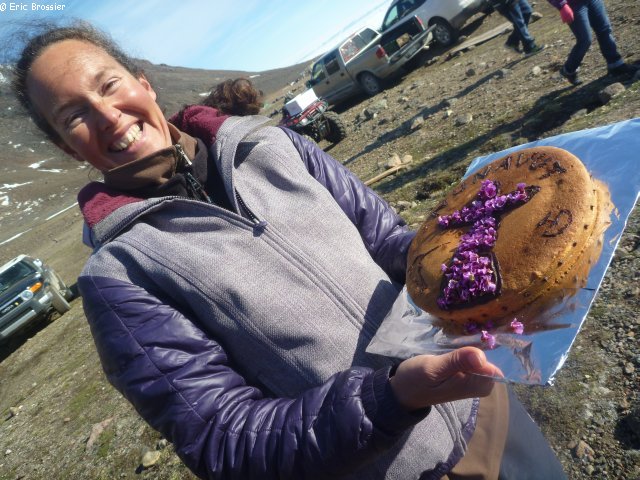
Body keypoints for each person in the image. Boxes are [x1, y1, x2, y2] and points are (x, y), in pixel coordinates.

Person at [14, 22, 567, 479]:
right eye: (75, 116)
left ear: (143, 82)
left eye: (108, 85)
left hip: (482, 398)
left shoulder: (271, 144)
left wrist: (490, 256)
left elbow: (393, 244)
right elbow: (222, 439)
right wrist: (388, 399)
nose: (108, 116)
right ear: (69, 147)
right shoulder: (120, 277)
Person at [548, 0, 639, 85]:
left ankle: (615, 64)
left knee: (605, 30)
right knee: (585, 40)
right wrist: (562, 5)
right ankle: (568, 69)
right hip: (574, 5)